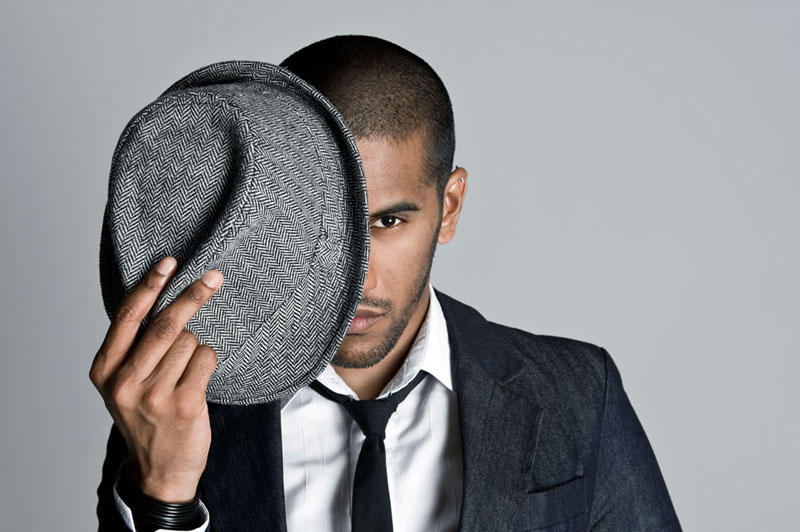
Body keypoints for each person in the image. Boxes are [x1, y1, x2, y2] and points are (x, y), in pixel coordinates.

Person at [91, 35, 682, 532]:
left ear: (449, 206)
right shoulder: (176, 408)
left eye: (387, 222)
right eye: (320, 225)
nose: (356, 277)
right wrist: (164, 493)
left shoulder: (576, 393)